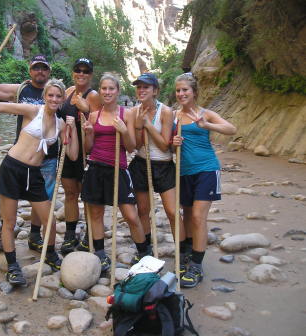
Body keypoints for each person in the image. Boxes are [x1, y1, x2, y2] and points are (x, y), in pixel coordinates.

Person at [0, 79, 78, 285]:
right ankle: (12, 267)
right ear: (45, 96)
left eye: (58, 96)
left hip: (34, 173)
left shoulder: (61, 124)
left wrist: (73, 131)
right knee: (9, 222)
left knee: (50, 220)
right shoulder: (32, 111)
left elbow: (72, 154)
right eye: (50, 95)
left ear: (63, 100)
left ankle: (50, 253)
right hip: (12, 168)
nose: (54, 99)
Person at [0, 53, 57, 254]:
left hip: (48, 157)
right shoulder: (21, 89)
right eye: (36, 68)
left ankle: (35, 235)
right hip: (21, 158)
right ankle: (5, 236)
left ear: (49, 71)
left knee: (42, 201)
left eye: (43, 68)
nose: (40, 71)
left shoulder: (57, 93)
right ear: (30, 70)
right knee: (11, 201)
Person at [172, 73, 236, 288]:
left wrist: (207, 125)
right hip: (183, 172)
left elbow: (231, 129)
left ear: (194, 92)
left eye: (185, 90)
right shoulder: (173, 116)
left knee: (199, 216)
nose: (181, 94)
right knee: (188, 214)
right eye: (178, 90)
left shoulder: (205, 113)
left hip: (207, 169)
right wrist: (173, 143)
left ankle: (197, 266)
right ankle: (189, 253)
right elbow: (168, 146)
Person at [81, 72, 148, 272]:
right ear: (100, 91)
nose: (107, 92)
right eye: (104, 88)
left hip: (117, 169)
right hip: (95, 168)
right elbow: (88, 149)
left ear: (118, 91)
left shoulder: (125, 114)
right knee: (95, 213)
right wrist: (89, 134)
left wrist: (125, 131)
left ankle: (144, 252)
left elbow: (131, 148)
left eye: (111, 88)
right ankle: (100, 254)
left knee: (130, 215)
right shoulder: (94, 116)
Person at [128, 73, 185, 263]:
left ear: (155, 91)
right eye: (139, 87)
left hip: (163, 165)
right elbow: (135, 146)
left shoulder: (166, 111)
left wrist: (147, 126)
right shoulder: (134, 111)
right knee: (143, 210)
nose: (141, 90)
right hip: (141, 164)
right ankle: (145, 250)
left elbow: (164, 145)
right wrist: (137, 128)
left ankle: (183, 252)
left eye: (146, 87)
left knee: (172, 211)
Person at [57, 58, 101, 254]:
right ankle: (69, 234)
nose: (81, 74)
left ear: (91, 75)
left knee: (87, 196)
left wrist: (87, 109)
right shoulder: (67, 92)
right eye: (78, 70)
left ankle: (90, 234)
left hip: (87, 152)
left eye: (85, 71)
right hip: (67, 150)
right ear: (73, 72)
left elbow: (102, 122)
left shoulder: (94, 96)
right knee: (70, 193)